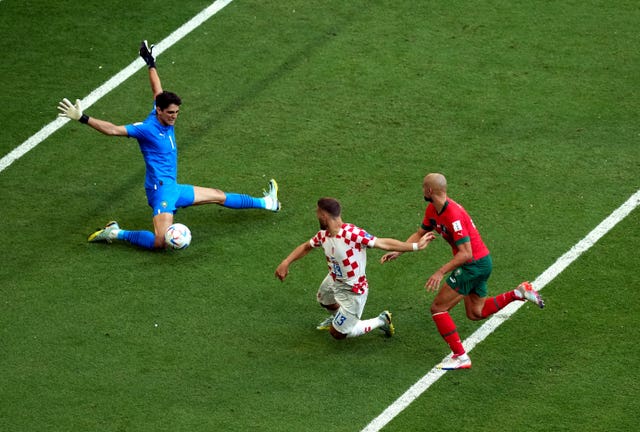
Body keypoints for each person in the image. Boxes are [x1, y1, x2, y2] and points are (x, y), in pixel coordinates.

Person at [57, 41, 280, 250]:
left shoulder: (163, 113)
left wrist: (150, 62)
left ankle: (267, 202)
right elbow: (113, 129)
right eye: (171, 113)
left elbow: (157, 89)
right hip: (160, 190)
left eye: (177, 112)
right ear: (159, 111)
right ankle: (116, 233)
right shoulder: (146, 129)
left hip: (172, 186)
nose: (175, 117)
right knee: (160, 242)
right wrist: (83, 118)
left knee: (218, 195)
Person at [381, 173, 544, 369]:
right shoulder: (433, 209)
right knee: (476, 312)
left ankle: (460, 357)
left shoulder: (453, 216)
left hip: (473, 265)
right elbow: (419, 233)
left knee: (438, 308)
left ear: (430, 190)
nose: (422, 190)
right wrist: (399, 251)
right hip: (482, 263)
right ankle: (518, 293)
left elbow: (466, 254)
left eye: (424, 187)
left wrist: (440, 272)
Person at [275, 197, 436, 340]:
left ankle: (381, 320)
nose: (316, 216)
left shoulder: (351, 234)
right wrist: (286, 262)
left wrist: (415, 246)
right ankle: (340, 319)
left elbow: (381, 243)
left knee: (337, 334)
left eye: (317, 213)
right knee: (324, 301)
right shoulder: (323, 234)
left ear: (324, 215)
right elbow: (306, 246)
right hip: (334, 279)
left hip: (353, 290)